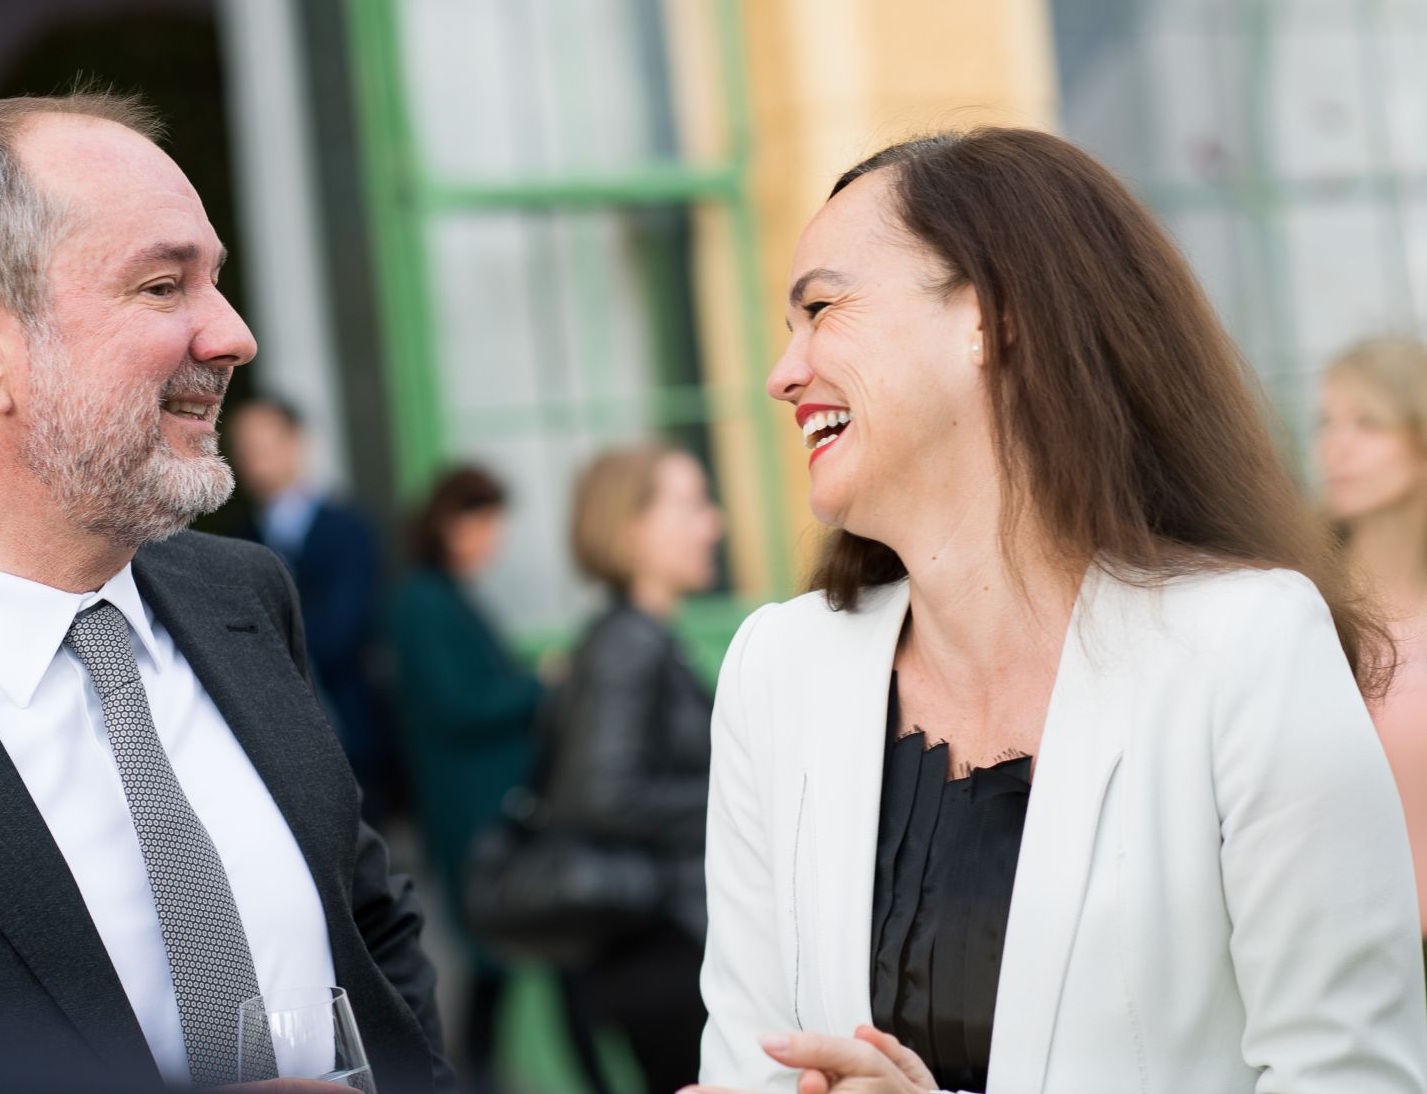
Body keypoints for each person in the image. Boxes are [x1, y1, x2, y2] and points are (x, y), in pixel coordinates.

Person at [693, 129, 1427, 1094]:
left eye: (822, 308)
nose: (783, 373)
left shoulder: (1246, 644)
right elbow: (747, 1064)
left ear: (992, 315)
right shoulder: (774, 670)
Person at [0, 93, 451, 1093]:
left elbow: (370, 927)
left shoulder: (245, 596)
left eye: (216, 283)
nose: (233, 335)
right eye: (163, 285)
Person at [545, 444, 724, 1094]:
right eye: (692, 504)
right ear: (633, 528)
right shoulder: (628, 644)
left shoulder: (640, 636)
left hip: (662, 939)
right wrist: (736, 799)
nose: (714, 523)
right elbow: (602, 793)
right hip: (660, 946)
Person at [389, 466, 543, 1094]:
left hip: (483, 802)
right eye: (484, 522)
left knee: (497, 960)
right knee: (489, 956)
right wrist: (540, 686)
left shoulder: (447, 594)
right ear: (451, 524)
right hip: (467, 806)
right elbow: (461, 705)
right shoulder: (423, 602)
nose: (494, 538)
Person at [229, 395, 392, 825]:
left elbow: (343, 631)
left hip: (349, 723)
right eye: (244, 449)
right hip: (276, 734)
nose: (254, 459)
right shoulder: (238, 539)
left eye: (265, 444)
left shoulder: (348, 528)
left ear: (296, 443)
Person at [1318, 337, 1427, 945]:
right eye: (1327, 422)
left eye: (1367, 421)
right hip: (1345, 951)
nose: (1336, 444)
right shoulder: (1301, 601)